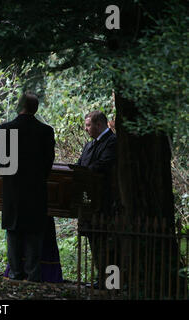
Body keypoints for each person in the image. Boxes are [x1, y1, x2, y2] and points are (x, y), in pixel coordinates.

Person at [0, 92, 56, 282]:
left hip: (13, 189)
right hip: (37, 190)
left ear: (19, 106)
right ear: (35, 109)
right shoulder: (45, 131)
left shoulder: (6, 129)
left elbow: (3, 163)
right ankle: (33, 274)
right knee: (34, 233)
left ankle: (15, 273)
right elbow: (48, 163)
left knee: (13, 233)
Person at [76, 110, 117, 288]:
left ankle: (111, 282)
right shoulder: (89, 145)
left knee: (108, 244)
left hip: (106, 202)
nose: (86, 129)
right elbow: (80, 165)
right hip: (89, 202)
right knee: (95, 241)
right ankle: (102, 279)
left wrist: (84, 171)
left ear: (99, 125)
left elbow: (103, 166)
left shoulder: (112, 142)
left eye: (88, 125)